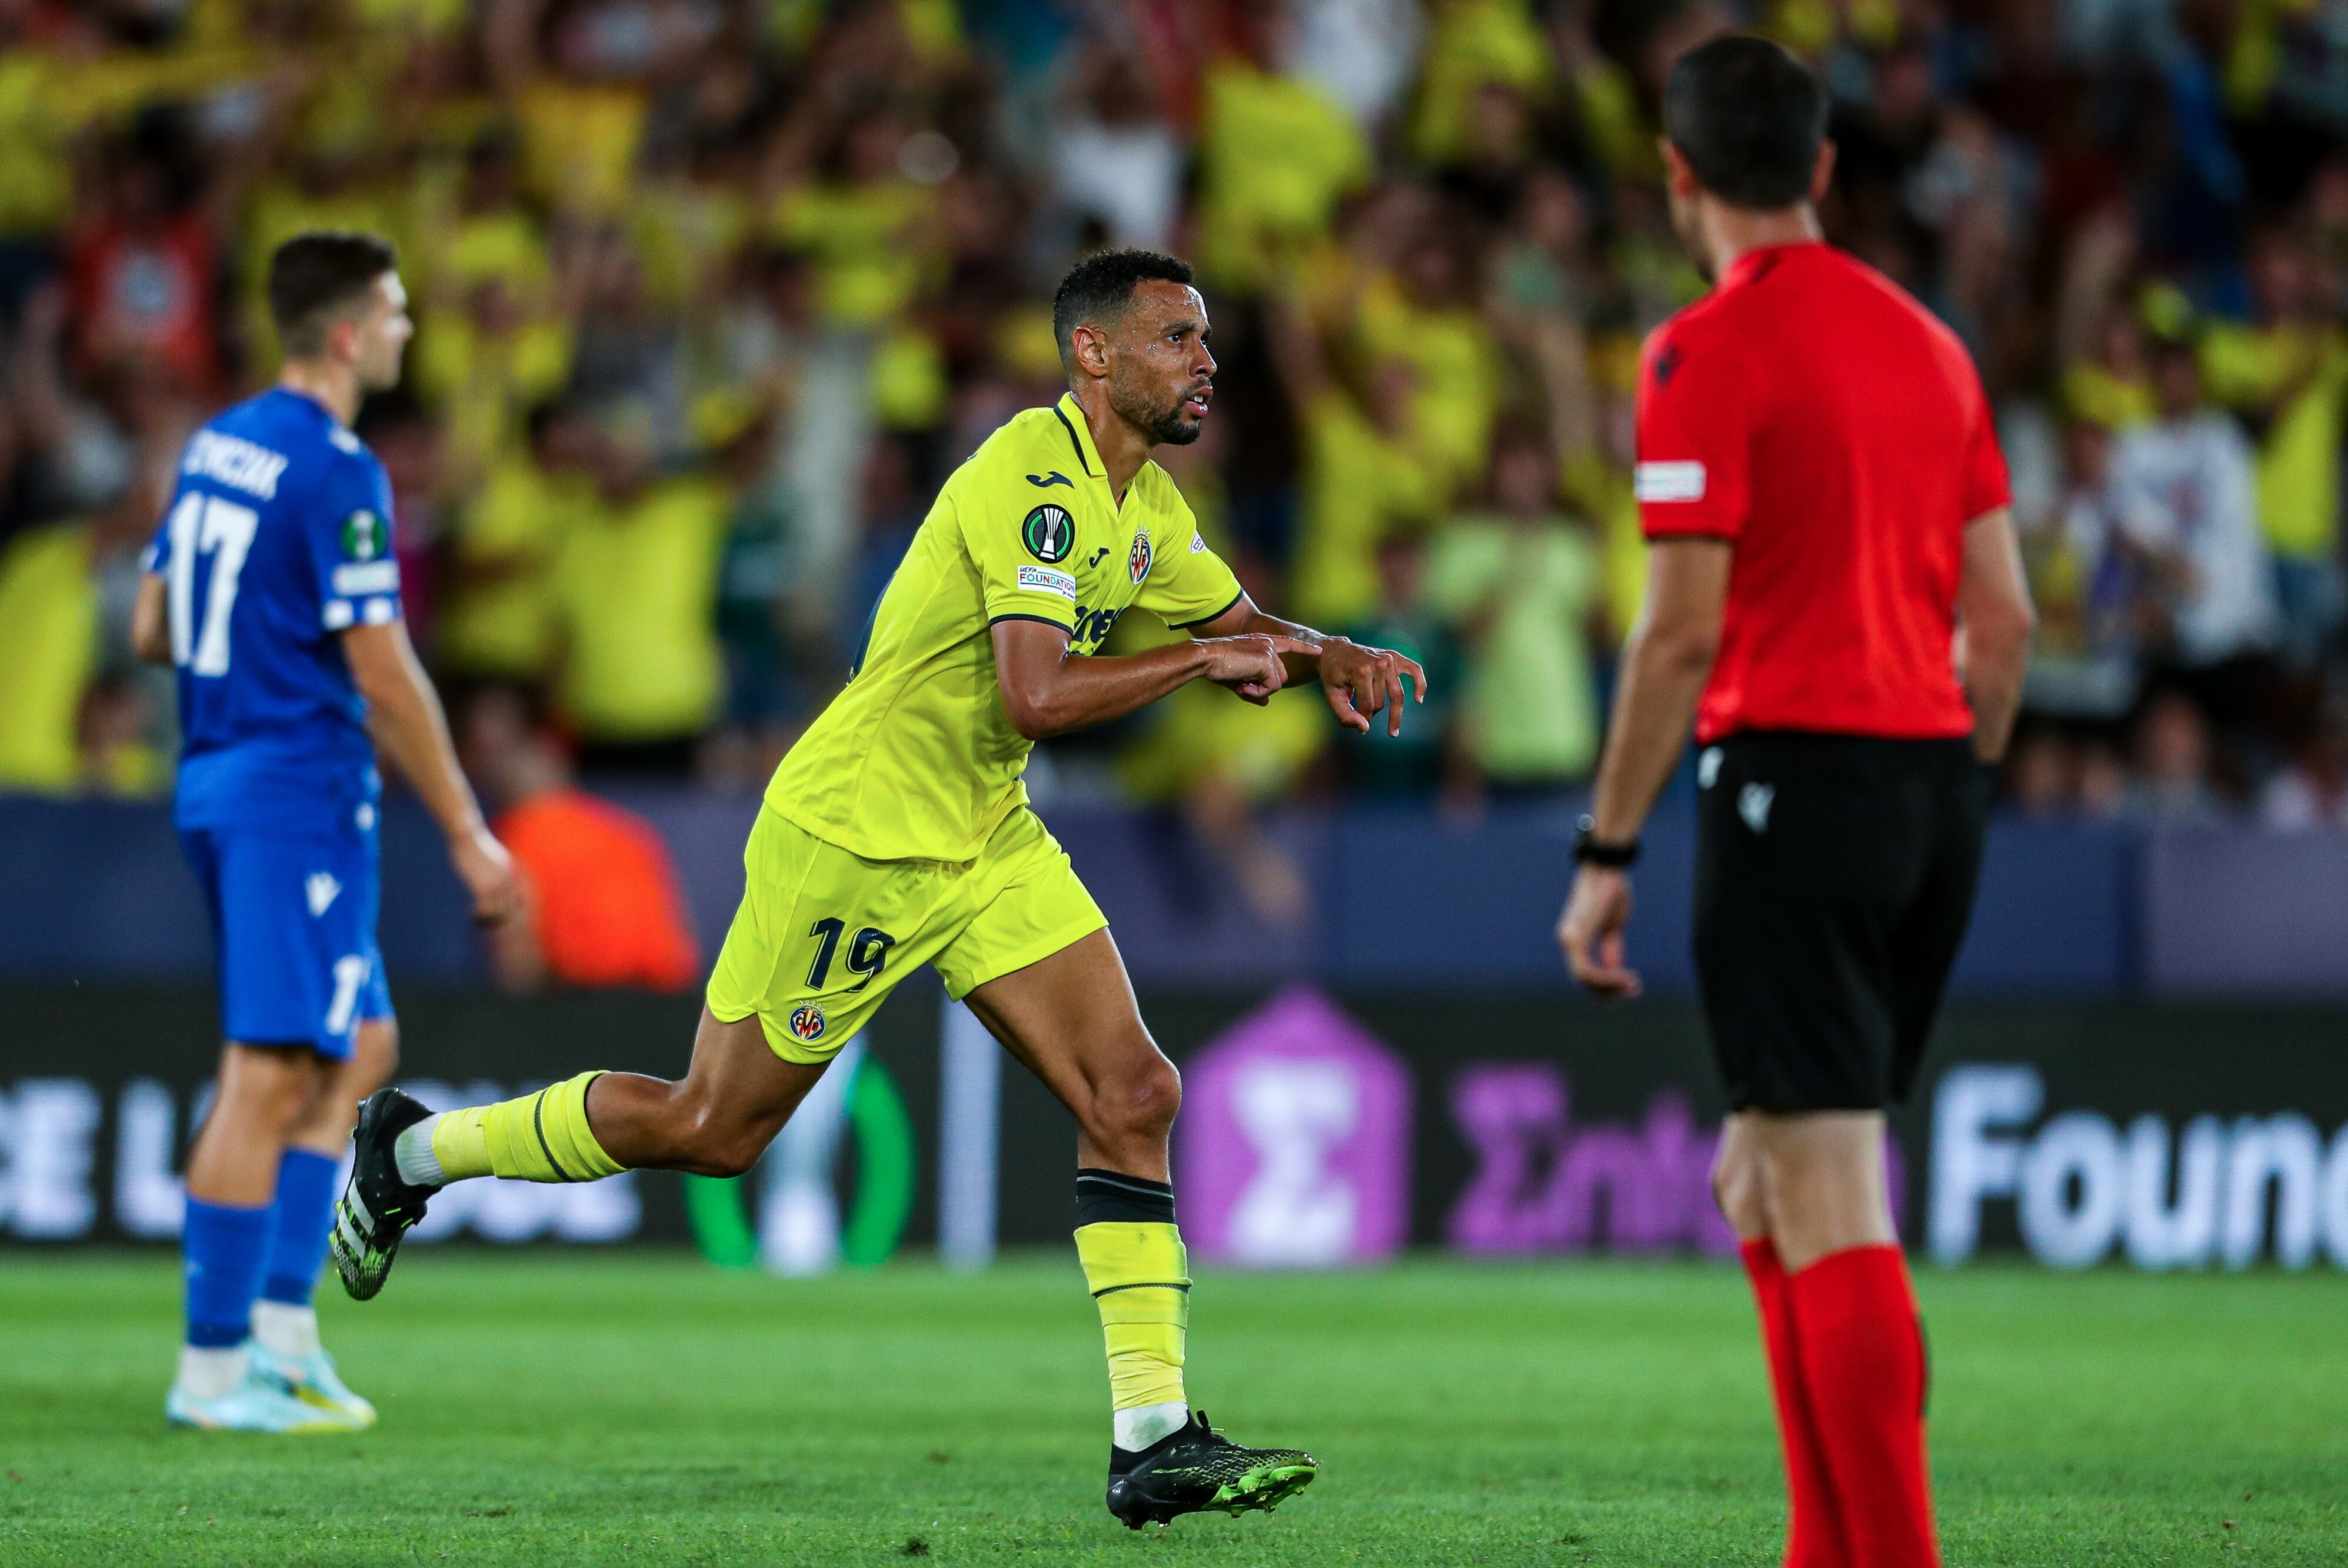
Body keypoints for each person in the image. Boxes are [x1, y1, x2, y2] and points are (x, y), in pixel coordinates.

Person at [331, 248, 1426, 1530]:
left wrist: (1322, 652)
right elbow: (1039, 693)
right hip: (857, 838)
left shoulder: (1148, 506)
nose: (1206, 361)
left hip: (983, 832)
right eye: (1176, 337)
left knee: (1135, 1090)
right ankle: (410, 1148)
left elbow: (1238, 623)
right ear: (1094, 354)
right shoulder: (1033, 476)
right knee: (712, 1131)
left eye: (1203, 339)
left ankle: (1154, 1439)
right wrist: (1198, 661)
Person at [1553, 39, 2034, 1568]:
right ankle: (1822, 1547)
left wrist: (1607, 848)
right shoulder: (1935, 347)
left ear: (1679, 179)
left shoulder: (1704, 353)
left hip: (1793, 782)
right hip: (1931, 783)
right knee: (1761, 1168)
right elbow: (2007, 622)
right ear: (1823, 169)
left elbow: (1679, 630)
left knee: (1827, 1185)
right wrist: (1942, 788)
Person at [129, 232, 519, 1431]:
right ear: (348, 332)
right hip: (290, 788)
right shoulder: (339, 468)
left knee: (359, 1044)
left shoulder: (219, 442)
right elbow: (386, 672)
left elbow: (153, 626)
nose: (409, 330)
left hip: (226, 771)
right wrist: (467, 830)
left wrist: (247, 654)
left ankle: (284, 1339)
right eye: (397, 312)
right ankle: (211, 1373)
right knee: (269, 1075)